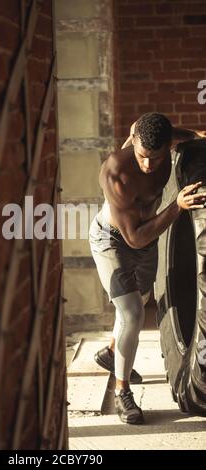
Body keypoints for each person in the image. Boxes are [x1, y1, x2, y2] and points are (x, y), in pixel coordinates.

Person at [89, 112, 206, 424]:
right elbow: (135, 238)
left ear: (167, 145)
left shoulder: (164, 141)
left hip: (148, 235)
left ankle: (112, 354)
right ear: (133, 142)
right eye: (142, 156)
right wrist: (177, 206)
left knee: (140, 299)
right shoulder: (117, 173)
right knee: (132, 315)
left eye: (155, 157)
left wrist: (199, 136)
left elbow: (189, 135)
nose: (148, 165)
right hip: (113, 240)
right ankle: (122, 391)